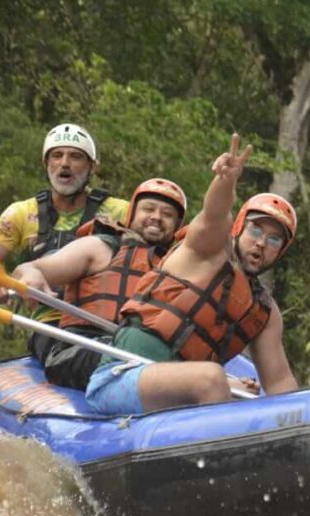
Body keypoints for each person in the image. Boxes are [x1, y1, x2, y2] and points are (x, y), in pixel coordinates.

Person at [85, 134, 299, 413]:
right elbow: (214, 214)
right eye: (255, 230)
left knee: (229, 388)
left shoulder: (265, 313)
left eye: (274, 240)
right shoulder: (207, 251)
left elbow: (281, 383)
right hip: (120, 379)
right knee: (211, 378)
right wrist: (226, 181)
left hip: (181, 403)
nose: (261, 243)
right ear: (238, 229)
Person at [10, 178, 187, 390]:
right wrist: (30, 274)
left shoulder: (176, 270)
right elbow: (31, 268)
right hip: (79, 349)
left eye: (167, 214)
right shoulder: (100, 248)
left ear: (177, 227)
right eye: (148, 209)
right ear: (131, 215)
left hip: (137, 358)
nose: (156, 217)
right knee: (139, 355)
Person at [0, 123, 128, 264]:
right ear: (46, 163)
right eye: (57, 155)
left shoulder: (121, 211)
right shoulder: (20, 213)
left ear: (92, 167)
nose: (65, 163)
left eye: (75, 156)